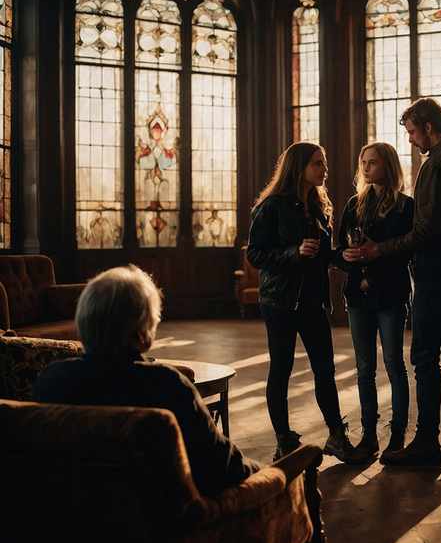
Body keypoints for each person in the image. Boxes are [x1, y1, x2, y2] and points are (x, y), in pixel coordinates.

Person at [33, 265, 260, 494]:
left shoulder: (50, 381)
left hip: (73, 518)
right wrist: (270, 472)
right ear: (143, 336)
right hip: (161, 523)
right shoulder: (166, 386)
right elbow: (224, 469)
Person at [358, 98, 441, 465]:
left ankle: (426, 441)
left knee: (424, 358)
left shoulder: (436, 166)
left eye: (414, 132)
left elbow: (426, 230)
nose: (413, 141)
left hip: (438, 274)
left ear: (428, 127)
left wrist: (379, 249)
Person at [247, 141, 366, 465]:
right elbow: (255, 254)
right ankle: (284, 441)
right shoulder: (270, 207)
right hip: (280, 303)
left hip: (313, 303)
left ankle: (336, 437)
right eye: (318, 163)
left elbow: (324, 256)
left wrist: (344, 256)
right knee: (281, 370)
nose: (324, 169)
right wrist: (292, 252)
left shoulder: (319, 205)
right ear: (298, 168)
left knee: (325, 370)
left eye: (323, 163)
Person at [334, 142, 413, 461]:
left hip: (391, 295)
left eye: (373, 163)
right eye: (362, 162)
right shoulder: (354, 204)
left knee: (394, 363)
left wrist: (375, 267)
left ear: (388, 167)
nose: (365, 168)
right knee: (364, 368)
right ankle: (368, 434)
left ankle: (397, 434)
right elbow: (338, 250)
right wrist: (348, 257)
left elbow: (409, 251)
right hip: (358, 297)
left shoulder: (406, 207)